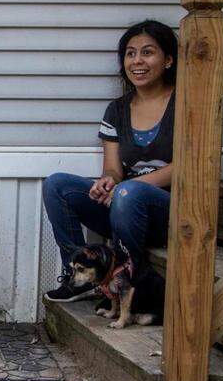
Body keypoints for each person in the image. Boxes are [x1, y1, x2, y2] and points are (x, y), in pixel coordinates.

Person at [42, 20, 177, 302]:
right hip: (123, 208)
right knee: (57, 185)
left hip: (169, 212)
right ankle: (81, 276)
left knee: (129, 192)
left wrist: (125, 187)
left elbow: (187, 168)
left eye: (148, 52)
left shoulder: (185, 104)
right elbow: (114, 169)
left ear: (168, 60)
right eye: (130, 53)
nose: (137, 61)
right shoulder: (117, 109)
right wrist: (108, 182)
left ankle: (128, 282)